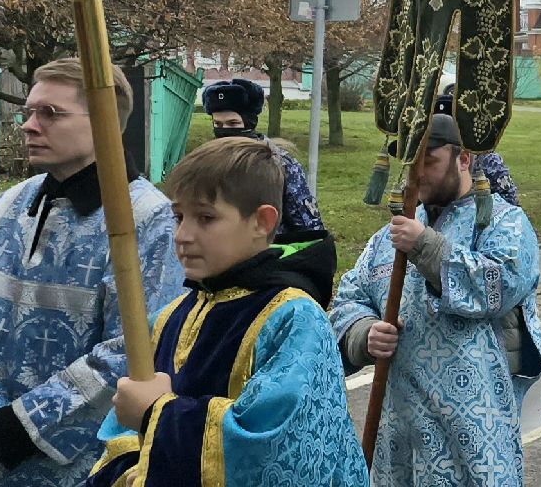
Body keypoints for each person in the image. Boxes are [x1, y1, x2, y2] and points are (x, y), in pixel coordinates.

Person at [0, 59, 185, 486]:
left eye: (50, 113)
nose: (29, 125)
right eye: (27, 112)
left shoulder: (145, 218)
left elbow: (136, 352)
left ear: (104, 120)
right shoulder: (16, 202)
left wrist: (11, 431)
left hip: (86, 468)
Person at [87, 137, 365, 485]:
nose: (183, 235)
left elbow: (277, 448)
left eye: (205, 217)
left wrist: (157, 413)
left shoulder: (293, 318)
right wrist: (130, 471)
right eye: (178, 216)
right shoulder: (169, 317)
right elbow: (123, 427)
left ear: (262, 222)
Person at [330, 113, 541, 486]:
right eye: (410, 162)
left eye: (429, 160)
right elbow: (351, 296)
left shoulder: (504, 224)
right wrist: (364, 333)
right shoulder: (387, 237)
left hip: (473, 428)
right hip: (399, 424)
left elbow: (501, 286)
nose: (416, 173)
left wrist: (426, 247)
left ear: (464, 160)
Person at [201, 78, 324, 235]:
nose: (224, 130)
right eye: (217, 124)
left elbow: (308, 225)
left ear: (249, 122)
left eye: (233, 124)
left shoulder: (279, 163)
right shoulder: (206, 162)